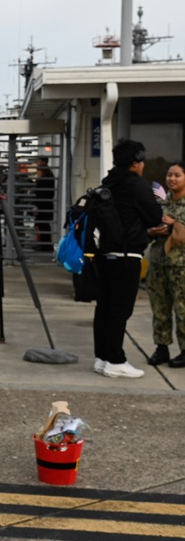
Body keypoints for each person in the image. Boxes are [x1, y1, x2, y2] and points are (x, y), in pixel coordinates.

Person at [92, 140, 166, 379]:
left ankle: (102, 358)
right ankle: (116, 360)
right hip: (127, 256)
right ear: (136, 162)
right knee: (120, 310)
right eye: (142, 161)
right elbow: (155, 216)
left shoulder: (108, 183)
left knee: (104, 308)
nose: (144, 165)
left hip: (105, 255)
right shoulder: (136, 184)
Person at [146, 161, 185, 368]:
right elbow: (146, 227)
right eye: (169, 175)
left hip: (181, 266)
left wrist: (174, 225)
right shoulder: (160, 203)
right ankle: (161, 348)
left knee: (182, 309)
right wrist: (152, 232)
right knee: (159, 308)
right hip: (159, 263)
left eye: (177, 175)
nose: (172, 179)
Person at [33, 156, 57, 250]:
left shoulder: (46, 177)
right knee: (42, 225)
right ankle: (43, 244)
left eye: (38, 160)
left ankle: (45, 245)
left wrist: (37, 205)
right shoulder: (48, 176)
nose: (37, 173)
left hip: (43, 205)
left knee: (43, 225)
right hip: (44, 204)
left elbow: (43, 193)